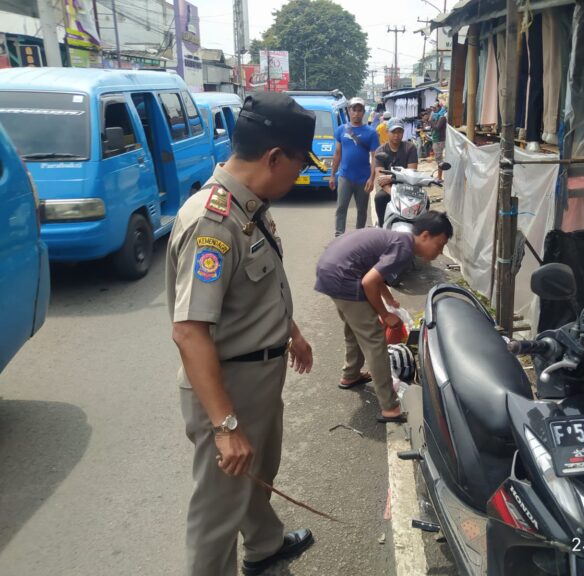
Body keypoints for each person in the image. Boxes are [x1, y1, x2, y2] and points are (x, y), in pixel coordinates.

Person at [166, 92, 321, 576]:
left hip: (258, 378)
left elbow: (256, 287)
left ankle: (264, 545)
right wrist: (226, 425)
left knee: (257, 477)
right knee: (217, 510)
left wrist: (290, 329)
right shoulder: (213, 221)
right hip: (228, 389)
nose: (299, 175)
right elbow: (190, 332)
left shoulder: (248, 206)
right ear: (274, 157)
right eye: (298, 164)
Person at [314, 211, 453, 423]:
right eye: (440, 244)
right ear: (425, 235)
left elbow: (373, 272)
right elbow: (369, 282)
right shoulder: (404, 249)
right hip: (343, 275)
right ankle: (390, 408)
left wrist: (388, 297)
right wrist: (385, 314)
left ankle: (350, 374)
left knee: (354, 327)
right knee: (375, 340)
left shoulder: (400, 239)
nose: (440, 252)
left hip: (331, 268)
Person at [329, 97, 379, 236]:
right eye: (354, 110)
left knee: (362, 210)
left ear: (364, 112)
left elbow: (375, 156)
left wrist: (371, 178)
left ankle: (359, 236)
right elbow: (338, 153)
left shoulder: (371, 133)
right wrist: (332, 175)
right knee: (341, 208)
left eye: (359, 110)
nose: (356, 113)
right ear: (349, 111)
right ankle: (339, 236)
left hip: (363, 178)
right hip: (345, 176)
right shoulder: (341, 130)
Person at [373, 118, 418, 226]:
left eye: (399, 132)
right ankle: (382, 225)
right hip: (389, 189)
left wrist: (391, 178)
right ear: (387, 132)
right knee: (379, 198)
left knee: (425, 202)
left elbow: (411, 173)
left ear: (403, 132)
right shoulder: (380, 151)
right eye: (393, 132)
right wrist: (393, 193)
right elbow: (380, 178)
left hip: (408, 187)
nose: (396, 135)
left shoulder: (410, 148)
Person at [431, 104, 448, 182]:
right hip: (437, 140)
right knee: (439, 160)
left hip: (439, 140)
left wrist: (431, 121)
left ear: (439, 108)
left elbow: (437, 128)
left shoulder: (442, 117)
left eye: (435, 108)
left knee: (440, 160)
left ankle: (440, 177)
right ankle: (439, 176)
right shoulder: (438, 116)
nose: (433, 110)